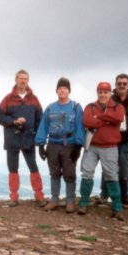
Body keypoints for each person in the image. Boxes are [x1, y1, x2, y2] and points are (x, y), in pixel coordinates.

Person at [0, 69, 46, 207]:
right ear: (16, 80)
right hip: (12, 138)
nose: (23, 81)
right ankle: (14, 198)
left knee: (33, 166)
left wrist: (38, 136)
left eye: (25, 79)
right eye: (20, 78)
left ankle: (39, 196)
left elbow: (40, 119)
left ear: (27, 81)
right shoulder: (8, 98)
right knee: (13, 168)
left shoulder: (34, 99)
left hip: (29, 138)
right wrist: (13, 121)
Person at [35, 77, 85, 213]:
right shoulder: (50, 108)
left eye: (65, 88)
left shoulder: (76, 107)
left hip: (69, 144)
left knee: (69, 173)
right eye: (60, 88)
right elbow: (44, 126)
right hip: (53, 144)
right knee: (54, 173)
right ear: (56, 91)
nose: (62, 90)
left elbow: (80, 126)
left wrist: (78, 146)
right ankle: (54, 200)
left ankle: (70, 201)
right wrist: (41, 145)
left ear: (69, 91)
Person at [77, 82, 125, 220]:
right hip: (91, 146)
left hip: (110, 147)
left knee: (111, 175)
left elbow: (119, 118)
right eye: (100, 92)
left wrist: (99, 117)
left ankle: (117, 207)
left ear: (110, 93)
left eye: (105, 92)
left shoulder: (118, 106)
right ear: (97, 93)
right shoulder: (90, 107)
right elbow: (86, 121)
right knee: (86, 173)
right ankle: (84, 203)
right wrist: (107, 120)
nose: (102, 95)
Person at [98, 74, 128, 207]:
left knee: (124, 168)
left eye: (124, 83)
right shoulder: (109, 100)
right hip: (111, 140)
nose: (122, 85)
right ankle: (104, 195)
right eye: (119, 83)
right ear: (115, 85)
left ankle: (124, 196)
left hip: (127, 140)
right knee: (108, 167)